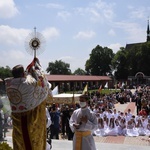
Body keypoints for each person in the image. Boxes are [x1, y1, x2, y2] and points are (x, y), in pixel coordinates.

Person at [5, 57, 50, 150]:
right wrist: (36, 66)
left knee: (20, 142)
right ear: (23, 73)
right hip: (30, 119)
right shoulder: (28, 84)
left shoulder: (8, 85)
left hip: (17, 120)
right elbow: (42, 81)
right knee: (31, 142)